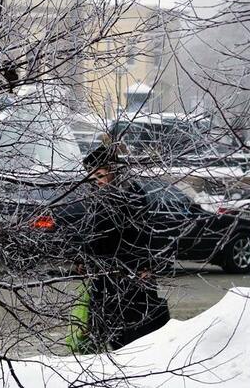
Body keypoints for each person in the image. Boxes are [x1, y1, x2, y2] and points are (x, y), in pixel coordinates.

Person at [80, 144, 169, 351]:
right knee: (107, 328)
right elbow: (93, 233)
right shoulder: (101, 195)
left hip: (131, 273)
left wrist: (146, 267)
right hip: (106, 273)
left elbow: (143, 234)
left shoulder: (131, 194)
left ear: (112, 170)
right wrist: (84, 258)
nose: (96, 180)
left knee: (134, 331)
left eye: (100, 174)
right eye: (92, 176)